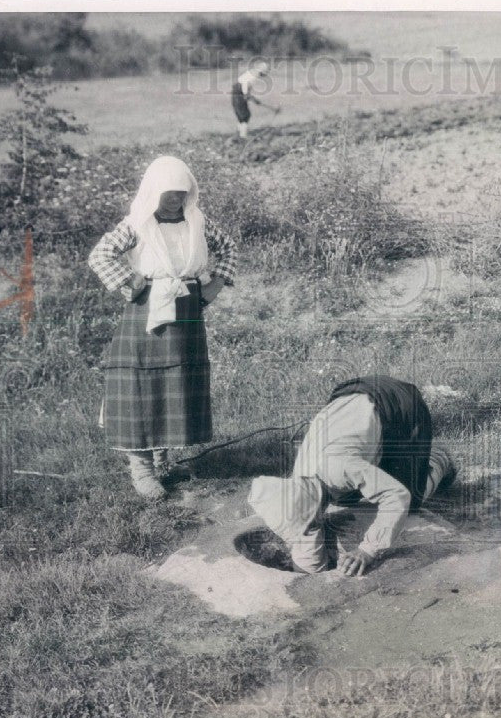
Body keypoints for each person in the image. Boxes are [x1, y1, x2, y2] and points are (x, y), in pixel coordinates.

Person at [89, 156, 238, 500]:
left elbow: (228, 248)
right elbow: (100, 255)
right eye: (169, 193)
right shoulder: (137, 223)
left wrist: (218, 282)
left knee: (177, 382)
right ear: (154, 191)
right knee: (140, 383)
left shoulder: (198, 221)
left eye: (181, 193)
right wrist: (131, 280)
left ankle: (162, 457)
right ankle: (141, 468)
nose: (175, 199)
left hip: (187, 307)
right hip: (147, 309)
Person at [247, 375, 457, 576]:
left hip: (397, 403)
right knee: (347, 496)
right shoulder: (300, 479)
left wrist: (367, 550)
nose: (313, 526)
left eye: (312, 523)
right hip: (352, 401)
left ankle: (439, 459)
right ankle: (380, 465)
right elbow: (303, 532)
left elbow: (397, 495)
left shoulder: (340, 468)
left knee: (411, 500)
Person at [231, 65, 269, 139]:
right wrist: (246, 95)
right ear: (262, 71)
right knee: (245, 115)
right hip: (239, 93)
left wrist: (253, 98)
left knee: (242, 114)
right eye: (265, 73)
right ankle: (243, 136)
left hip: (238, 92)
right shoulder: (254, 75)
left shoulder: (252, 73)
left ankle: (240, 133)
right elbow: (245, 84)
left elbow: (247, 87)